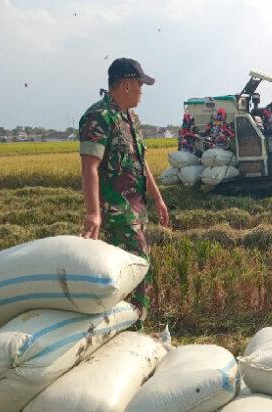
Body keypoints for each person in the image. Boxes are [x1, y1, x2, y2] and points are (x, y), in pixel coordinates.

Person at [79, 58, 170, 324]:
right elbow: (89, 168)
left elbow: (141, 163)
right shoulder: (98, 117)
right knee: (131, 273)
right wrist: (94, 214)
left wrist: (158, 198)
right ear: (127, 85)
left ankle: (132, 328)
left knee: (140, 270)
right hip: (115, 213)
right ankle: (130, 329)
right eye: (141, 84)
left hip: (137, 211)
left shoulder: (131, 118)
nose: (143, 91)